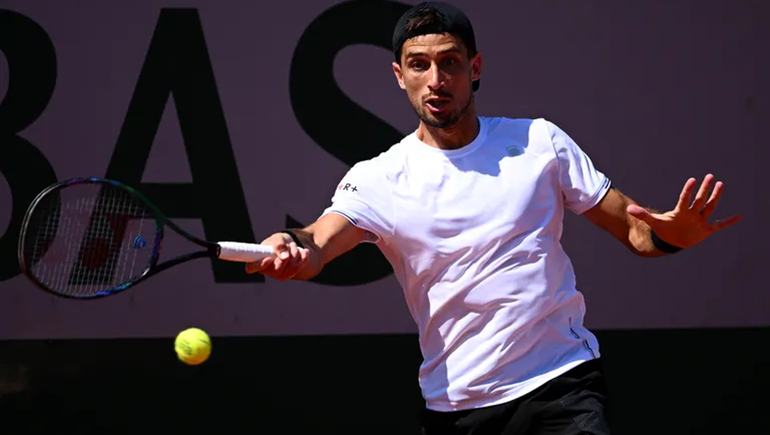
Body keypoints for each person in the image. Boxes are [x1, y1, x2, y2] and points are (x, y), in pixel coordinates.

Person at [246, 2, 741, 434]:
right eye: (419, 65)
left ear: (474, 68)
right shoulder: (379, 178)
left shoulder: (539, 142)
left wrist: (671, 234)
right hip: (457, 407)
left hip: (561, 385)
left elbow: (636, 230)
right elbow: (316, 241)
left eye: (450, 63)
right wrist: (291, 248)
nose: (436, 81)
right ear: (399, 75)